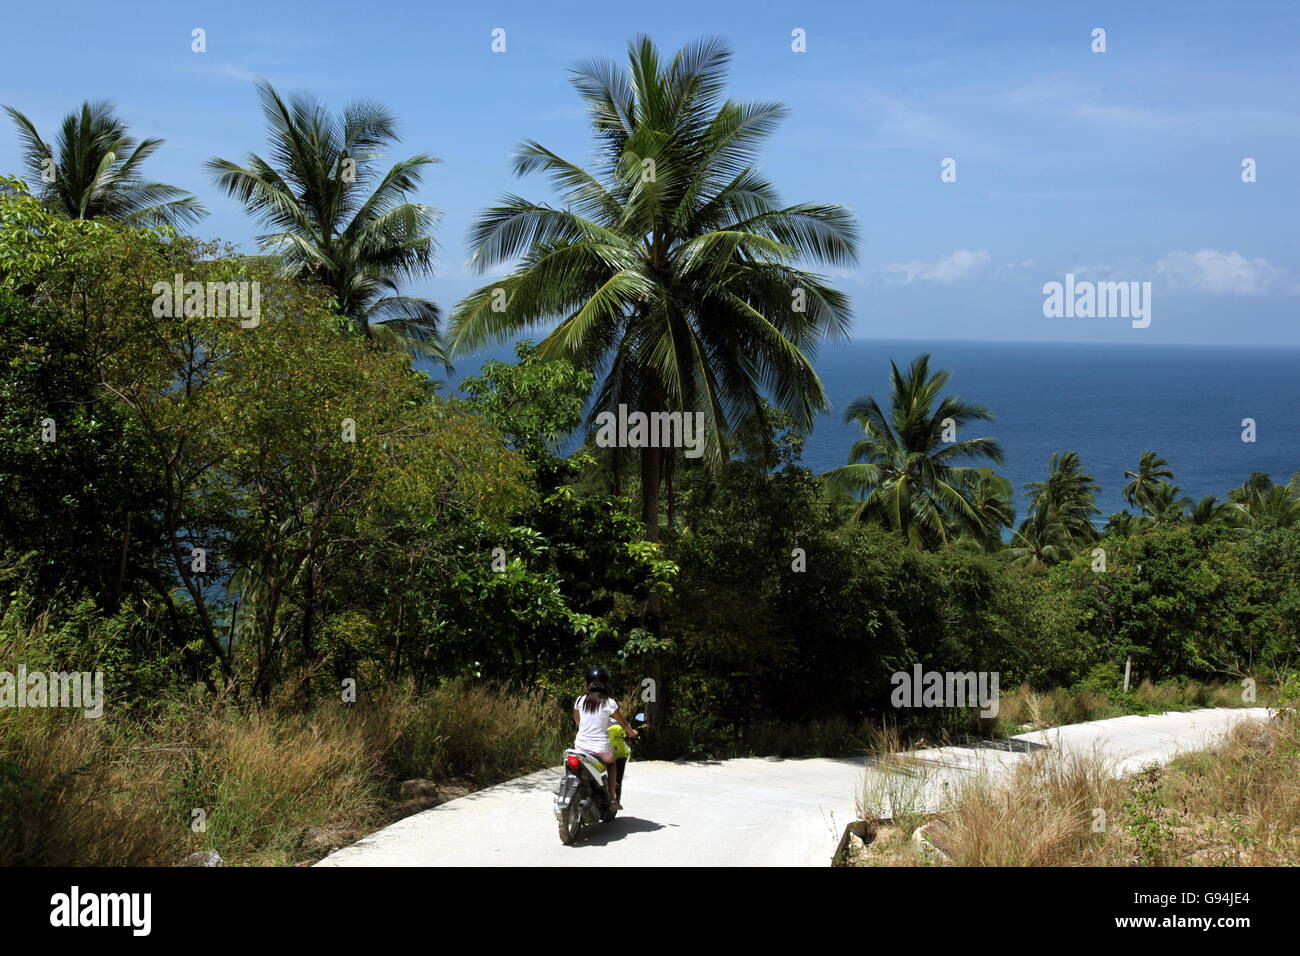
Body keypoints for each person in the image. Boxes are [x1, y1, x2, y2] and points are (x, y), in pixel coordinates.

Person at [571, 666, 637, 810]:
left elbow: (576, 718)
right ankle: (613, 797)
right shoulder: (609, 702)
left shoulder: (580, 699)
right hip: (600, 748)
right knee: (612, 763)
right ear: (606, 683)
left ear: (588, 682)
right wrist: (631, 732)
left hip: (580, 746)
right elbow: (623, 723)